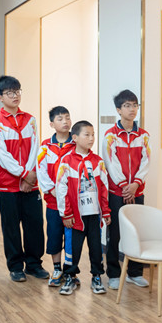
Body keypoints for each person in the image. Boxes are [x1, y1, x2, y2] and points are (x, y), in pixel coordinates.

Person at [0, 75, 48, 282]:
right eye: (10, 93)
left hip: (31, 184)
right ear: (0, 98)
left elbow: (35, 148)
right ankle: (15, 267)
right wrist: (24, 174)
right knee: (11, 228)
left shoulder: (30, 120)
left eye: (17, 91)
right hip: (8, 185)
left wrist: (30, 176)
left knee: (35, 225)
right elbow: (2, 155)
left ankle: (34, 264)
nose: (15, 96)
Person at [55, 120, 110, 295]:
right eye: (87, 135)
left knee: (96, 248)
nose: (91, 138)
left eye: (93, 135)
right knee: (73, 248)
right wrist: (66, 214)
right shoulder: (66, 161)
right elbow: (61, 189)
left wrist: (106, 211)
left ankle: (96, 276)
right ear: (75, 137)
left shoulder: (98, 162)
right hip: (75, 217)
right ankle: (70, 277)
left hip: (94, 214)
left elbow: (104, 188)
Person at [102, 89, 151, 290]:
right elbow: (110, 162)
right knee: (115, 234)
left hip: (137, 192)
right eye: (127, 105)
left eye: (135, 105)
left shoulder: (144, 136)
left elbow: (146, 161)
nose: (132, 109)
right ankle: (114, 273)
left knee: (136, 232)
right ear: (118, 110)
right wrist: (124, 186)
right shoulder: (110, 136)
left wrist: (135, 184)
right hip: (117, 193)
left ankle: (135, 273)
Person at [36, 105, 75, 287]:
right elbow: (41, 170)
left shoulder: (76, 144)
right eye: (60, 119)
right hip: (53, 202)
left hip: (73, 203)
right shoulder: (46, 147)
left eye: (67, 117)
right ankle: (57, 269)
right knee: (54, 235)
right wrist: (52, 190)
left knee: (72, 238)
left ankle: (70, 271)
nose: (65, 121)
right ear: (52, 124)